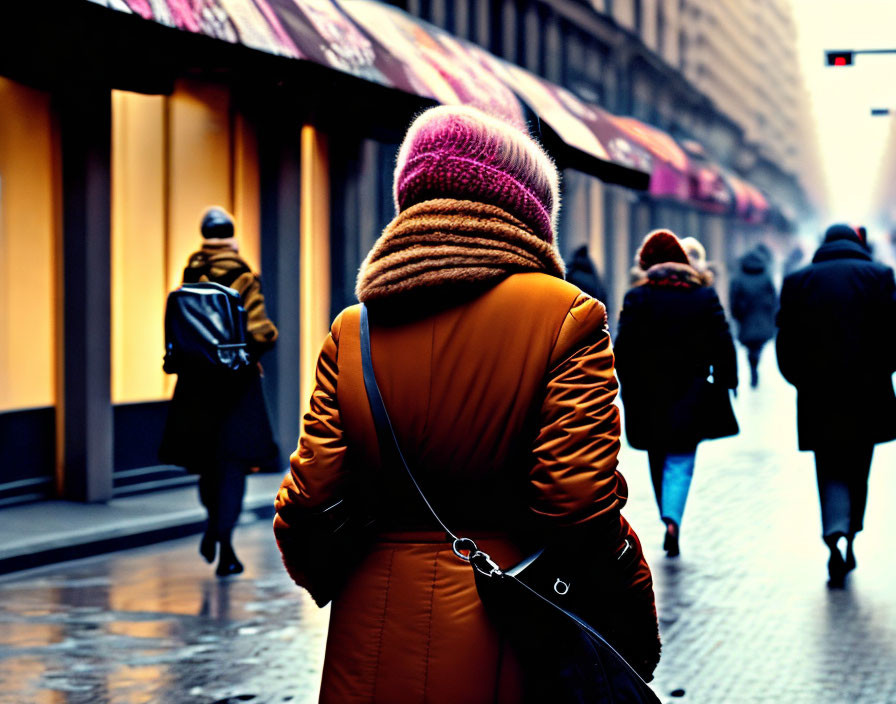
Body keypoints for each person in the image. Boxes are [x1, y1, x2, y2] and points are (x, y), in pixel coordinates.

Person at [273, 105, 661, 702]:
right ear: (528, 209)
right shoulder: (567, 317)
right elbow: (577, 502)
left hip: (371, 629)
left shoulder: (356, 330)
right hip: (509, 619)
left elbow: (309, 501)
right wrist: (630, 609)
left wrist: (348, 576)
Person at [160, 207, 279, 577]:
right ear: (232, 238)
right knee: (233, 466)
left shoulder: (190, 272)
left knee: (208, 466)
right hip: (234, 386)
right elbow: (261, 332)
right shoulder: (242, 275)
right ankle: (224, 543)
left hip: (195, 385)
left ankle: (213, 524)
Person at [776, 223, 896, 588]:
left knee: (827, 466)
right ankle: (851, 533)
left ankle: (833, 531)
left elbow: (786, 341)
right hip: (869, 392)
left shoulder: (799, 281)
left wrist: (800, 378)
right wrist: (883, 370)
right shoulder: (880, 276)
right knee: (859, 466)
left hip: (818, 394)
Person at [614, 230, 738, 557]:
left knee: (658, 454)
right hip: (691, 391)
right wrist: (728, 379)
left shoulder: (637, 297)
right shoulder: (703, 296)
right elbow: (723, 341)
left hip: (648, 394)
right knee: (682, 457)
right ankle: (673, 518)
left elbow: (622, 349)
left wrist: (626, 387)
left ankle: (665, 515)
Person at [729, 248, 777, 388]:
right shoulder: (766, 275)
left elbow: (734, 299)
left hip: (746, 316)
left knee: (751, 346)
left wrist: (736, 315)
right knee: (757, 345)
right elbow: (774, 297)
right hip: (762, 315)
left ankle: (753, 368)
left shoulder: (738, 277)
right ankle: (755, 366)